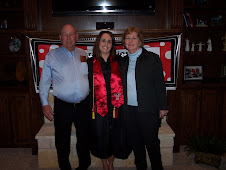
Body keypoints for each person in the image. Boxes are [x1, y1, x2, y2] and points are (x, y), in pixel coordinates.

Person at [39, 24, 91, 170]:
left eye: (71, 34)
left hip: (83, 105)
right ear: (60, 37)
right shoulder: (51, 56)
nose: (68, 38)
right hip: (63, 106)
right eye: (65, 34)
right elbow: (43, 83)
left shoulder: (84, 54)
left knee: (84, 139)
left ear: (77, 36)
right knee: (62, 141)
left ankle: (84, 166)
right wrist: (45, 104)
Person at [120, 26, 168, 170]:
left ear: (140, 41)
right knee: (137, 145)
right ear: (124, 42)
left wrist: (163, 106)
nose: (131, 41)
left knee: (152, 144)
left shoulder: (152, 59)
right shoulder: (122, 61)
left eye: (134, 37)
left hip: (148, 110)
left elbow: (160, 84)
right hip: (129, 111)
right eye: (128, 38)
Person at [87, 31, 130, 170]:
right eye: (103, 41)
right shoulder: (89, 63)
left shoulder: (121, 62)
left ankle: (111, 163)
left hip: (116, 106)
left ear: (112, 45)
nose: (106, 44)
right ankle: (104, 163)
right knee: (101, 136)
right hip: (98, 107)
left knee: (115, 136)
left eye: (109, 41)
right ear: (98, 42)